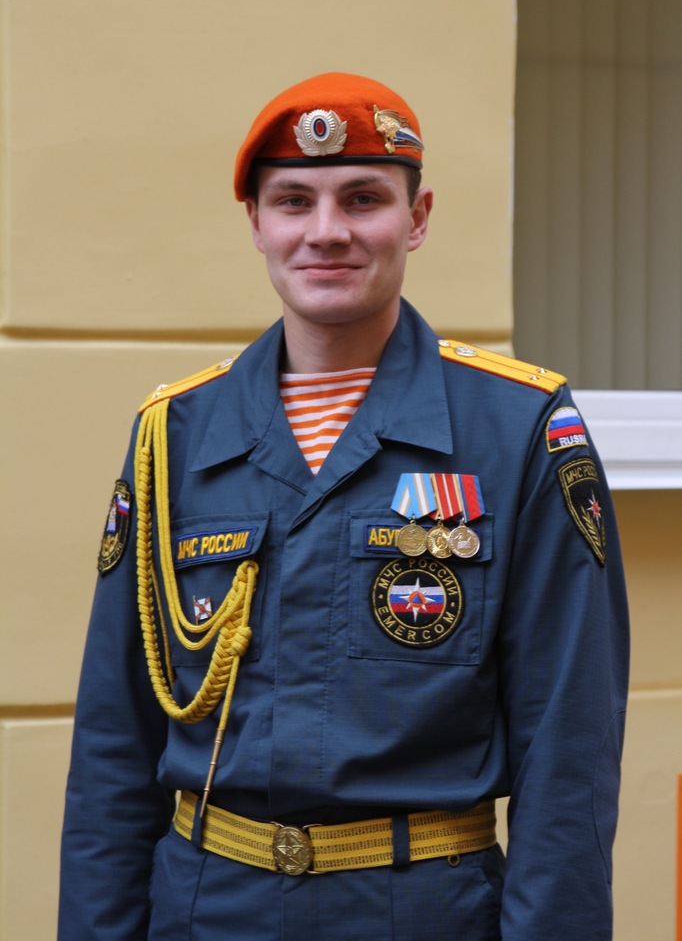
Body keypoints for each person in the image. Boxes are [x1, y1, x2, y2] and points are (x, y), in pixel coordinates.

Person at [59, 72, 629, 940]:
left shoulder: (519, 429)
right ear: (256, 223)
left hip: (420, 914)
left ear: (418, 217)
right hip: (208, 912)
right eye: (294, 201)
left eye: (363, 198)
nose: (326, 231)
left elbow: (570, 743)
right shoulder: (172, 435)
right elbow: (114, 742)